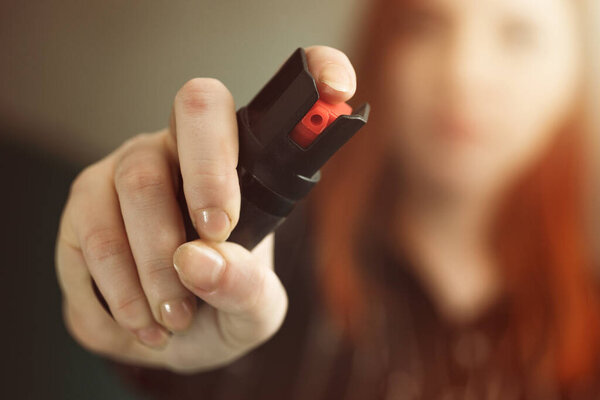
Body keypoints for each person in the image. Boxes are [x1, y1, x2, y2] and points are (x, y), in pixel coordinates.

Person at [55, 0, 600, 398]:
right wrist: (127, 284)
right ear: (382, 49)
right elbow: (163, 336)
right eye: (424, 24)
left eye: (520, 35)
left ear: (576, 73)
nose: (464, 73)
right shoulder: (268, 261)